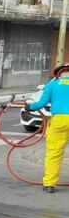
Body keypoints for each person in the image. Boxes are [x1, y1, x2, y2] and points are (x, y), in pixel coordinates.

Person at [27, 63, 69, 193]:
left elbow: (41, 103)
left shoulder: (53, 84)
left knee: (54, 154)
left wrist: (29, 107)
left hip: (60, 121)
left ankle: (49, 184)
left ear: (59, 74)